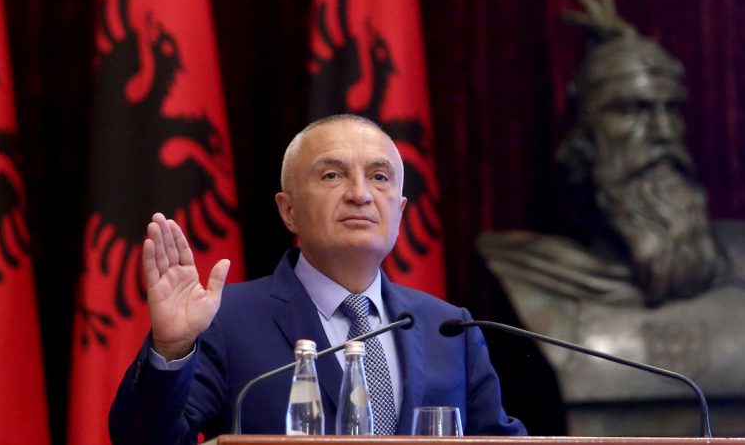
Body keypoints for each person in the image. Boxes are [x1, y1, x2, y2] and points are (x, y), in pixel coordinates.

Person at [108, 114, 527, 444]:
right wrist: (171, 349)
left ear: (399, 211)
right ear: (288, 210)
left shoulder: (450, 329)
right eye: (332, 175)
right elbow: (144, 441)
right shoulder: (226, 319)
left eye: (379, 177)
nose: (360, 194)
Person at [478, 0, 745, 436]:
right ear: (583, 138)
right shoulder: (526, 273)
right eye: (632, 110)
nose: (662, 133)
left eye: (671, 109)